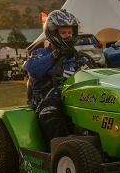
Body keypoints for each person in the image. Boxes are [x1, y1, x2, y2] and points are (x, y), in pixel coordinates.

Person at [24, 9, 88, 146]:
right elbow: (32, 69)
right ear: (52, 33)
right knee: (51, 107)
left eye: (70, 32)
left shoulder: (78, 58)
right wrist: (55, 55)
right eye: (63, 33)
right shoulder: (41, 53)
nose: (67, 36)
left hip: (74, 97)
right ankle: (62, 146)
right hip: (45, 100)